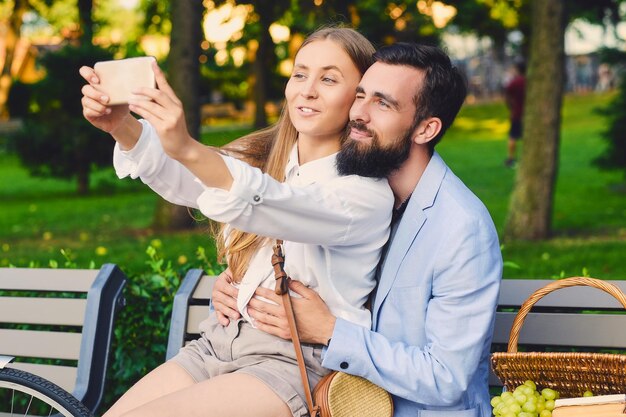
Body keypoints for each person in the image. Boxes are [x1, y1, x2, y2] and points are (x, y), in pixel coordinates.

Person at [80, 27, 405, 417]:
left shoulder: (362, 194)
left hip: (293, 364)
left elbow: (272, 205)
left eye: (329, 79)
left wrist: (185, 145)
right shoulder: (265, 159)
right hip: (219, 341)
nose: (308, 89)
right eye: (300, 74)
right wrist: (123, 126)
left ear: (357, 100)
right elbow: (189, 180)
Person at [212, 43, 503, 417]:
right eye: (360, 95)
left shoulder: (461, 227)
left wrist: (331, 331)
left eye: (383, 103)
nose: (358, 113)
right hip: (331, 397)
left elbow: (447, 378)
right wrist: (241, 289)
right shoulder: (353, 192)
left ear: (426, 128)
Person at [504, 60, 526, 168]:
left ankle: (511, 159)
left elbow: (507, 95)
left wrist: (510, 107)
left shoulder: (515, 82)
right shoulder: (529, 81)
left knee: (513, 136)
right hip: (528, 114)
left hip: (517, 113)